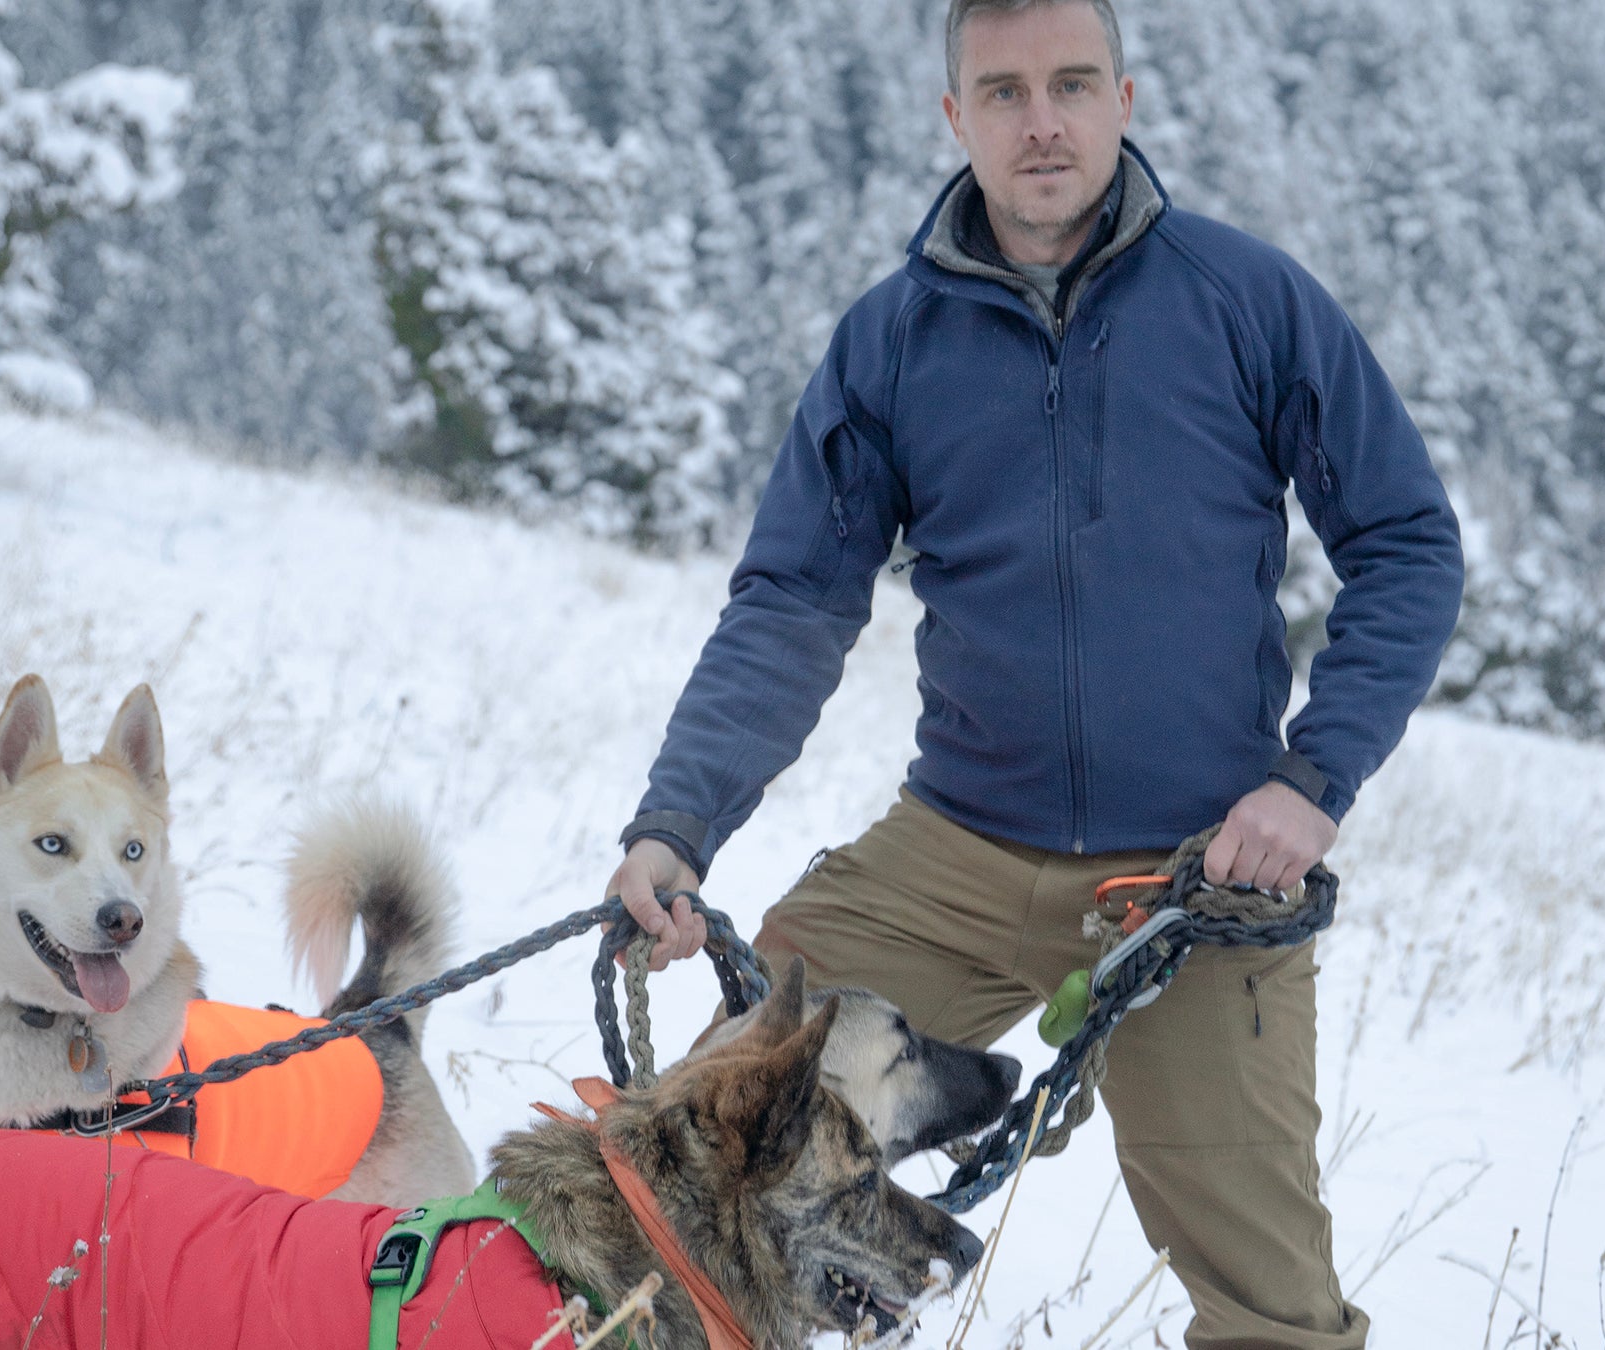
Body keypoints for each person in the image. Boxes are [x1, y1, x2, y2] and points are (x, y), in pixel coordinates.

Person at [604, 1, 1462, 1344]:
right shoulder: (891, 344)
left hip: (1200, 883)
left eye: (1072, 84)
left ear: (1126, 97)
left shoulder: (1249, 303)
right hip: (954, 856)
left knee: (1272, 1309)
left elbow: (1408, 545)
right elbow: (792, 600)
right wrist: (677, 821)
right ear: (956, 118)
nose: (1042, 120)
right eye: (1003, 92)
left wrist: (1312, 778)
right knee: (691, 1152)